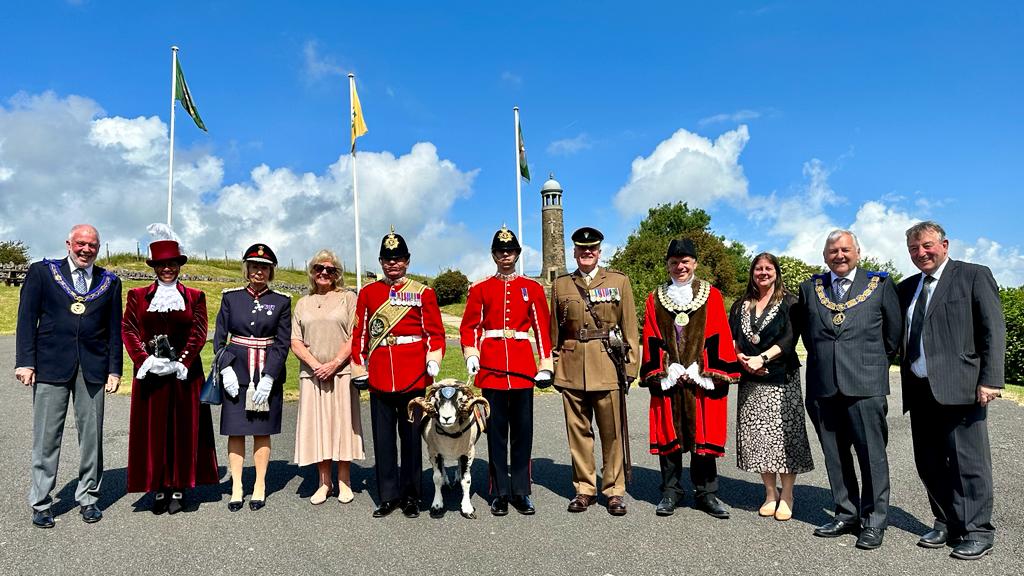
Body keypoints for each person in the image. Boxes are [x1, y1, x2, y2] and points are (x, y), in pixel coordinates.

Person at [898, 221, 1005, 560]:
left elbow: (993, 328)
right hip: (920, 388)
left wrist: (991, 379)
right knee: (929, 462)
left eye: (927, 245)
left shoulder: (973, 275)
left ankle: (977, 531)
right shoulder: (907, 287)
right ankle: (947, 522)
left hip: (962, 387)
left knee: (968, 463)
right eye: (914, 249)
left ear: (944, 244)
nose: (921, 253)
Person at [796, 229, 900, 550]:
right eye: (832, 252)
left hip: (865, 384)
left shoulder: (880, 285)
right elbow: (807, 334)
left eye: (845, 250)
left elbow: (893, 336)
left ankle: (873, 520)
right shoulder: (810, 288)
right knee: (835, 455)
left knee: (871, 456)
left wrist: (867, 365)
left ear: (858, 251)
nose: (839, 256)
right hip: (823, 385)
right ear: (825, 256)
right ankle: (846, 512)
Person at [15, 224, 122, 528]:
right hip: (50, 365)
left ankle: (88, 497)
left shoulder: (109, 282)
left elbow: (114, 330)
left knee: (92, 438)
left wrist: (115, 369)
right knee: (47, 437)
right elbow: (26, 319)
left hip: (93, 368)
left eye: (92, 245)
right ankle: (41, 501)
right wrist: (25, 361)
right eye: (81, 244)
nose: (86, 249)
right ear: (68, 244)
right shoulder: (42, 273)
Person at [639, 238, 740, 519]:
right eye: (674, 262)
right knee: (669, 435)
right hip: (670, 377)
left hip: (700, 378)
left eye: (685, 262)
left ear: (694, 263)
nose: (679, 267)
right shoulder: (654, 297)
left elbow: (719, 334)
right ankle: (670, 492)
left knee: (703, 436)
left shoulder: (713, 295)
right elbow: (650, 337)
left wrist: (700, 369)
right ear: (668, 265)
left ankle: (707, 494)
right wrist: (666, 368)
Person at [350, 227, 446, 518]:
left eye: (398, 258)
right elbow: (360, 334)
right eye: (387, 259)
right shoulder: (369, 293)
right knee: (384, 439)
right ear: (380, 262)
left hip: (413, 374)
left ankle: (413, 496)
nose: (393, 263)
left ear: (407, 260)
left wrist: (433, 360)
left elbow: (435, 333)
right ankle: (388, 495)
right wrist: (359, 366)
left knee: (412, 438)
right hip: (379, 374)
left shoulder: (423, 293)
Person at [460, 225, 553, 516]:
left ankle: (522, 491)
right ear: (493, 255)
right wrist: (472, 353)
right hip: (492, 369)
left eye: (510, 251)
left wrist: (545, 364)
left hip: (523, 369)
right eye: (501, 252)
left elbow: (542, 330)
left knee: (523, 433)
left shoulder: (533, 288)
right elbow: (470, 326)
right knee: (497, 433)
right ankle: (499, 491)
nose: (506, 256)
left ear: (517, 254)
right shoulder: (481, 289)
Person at [122, 238, 219, 514]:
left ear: (179, 266)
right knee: (155, 432)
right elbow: (128, 329)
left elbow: (199, 331)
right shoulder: (137, 296)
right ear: (155, 267)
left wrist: (183, 362)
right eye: (162, 264)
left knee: (182, 430)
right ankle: (159, 486)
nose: (168, 269)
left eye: (172, 264)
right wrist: (145, 360)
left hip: (184, 375)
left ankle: (179, 486)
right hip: (151, 375)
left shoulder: (195, 296)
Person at [550, 227, 639, 516]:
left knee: (612, 433)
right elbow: (555, 333)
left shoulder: (618, 281)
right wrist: (553, 366)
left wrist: (630, 367)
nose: (587, 253)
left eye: (592, 249)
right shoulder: (561, 285)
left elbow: (630, 328)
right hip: (572, 366)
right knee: (578, 433)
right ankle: (584, 488)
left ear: (599, 251)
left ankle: (613, 490)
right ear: (574, 252)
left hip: (608, 365)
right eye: (581, 249)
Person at [728, 252, 813, 521]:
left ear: (776, 271)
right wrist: (741, 358)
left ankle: (787, 494)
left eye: (768, 268)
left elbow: (790, 338)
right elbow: (732, 337)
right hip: (750, 379)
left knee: (784, 439)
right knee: (760, 439)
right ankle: (769, 493)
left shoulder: (791, 302)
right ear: (752, 273)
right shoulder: (740, 304)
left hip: (781, 378)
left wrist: (762, 358)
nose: (763, 272)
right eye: (758, 268)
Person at [213, 243, 291, 512]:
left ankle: (259, 484)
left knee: (261, 431)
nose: (259, 271)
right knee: (235, 431)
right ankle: (237, 485)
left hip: (265, 374)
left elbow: (282, 344)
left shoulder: (281, 301)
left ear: (271, 272)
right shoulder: (231, 298)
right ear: (246, 269)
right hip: (238, 372)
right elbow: (220, 338)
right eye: (254, 266)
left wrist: (270, 377)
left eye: (265, 267)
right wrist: (225, 369)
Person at [291, 249, 364, 505]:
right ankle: (324, 482)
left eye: (330, 270)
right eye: (319, 269)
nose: (324, 273)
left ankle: (344, 480)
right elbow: (296, 341)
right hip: (312, 375)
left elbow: (355, 336)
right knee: (319, 427)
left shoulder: (348, 298)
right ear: (312, 272)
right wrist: (315, 365)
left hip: (341, 372)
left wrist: (333, 364)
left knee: (342, 425)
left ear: (337, 274)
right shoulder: (303, 303)